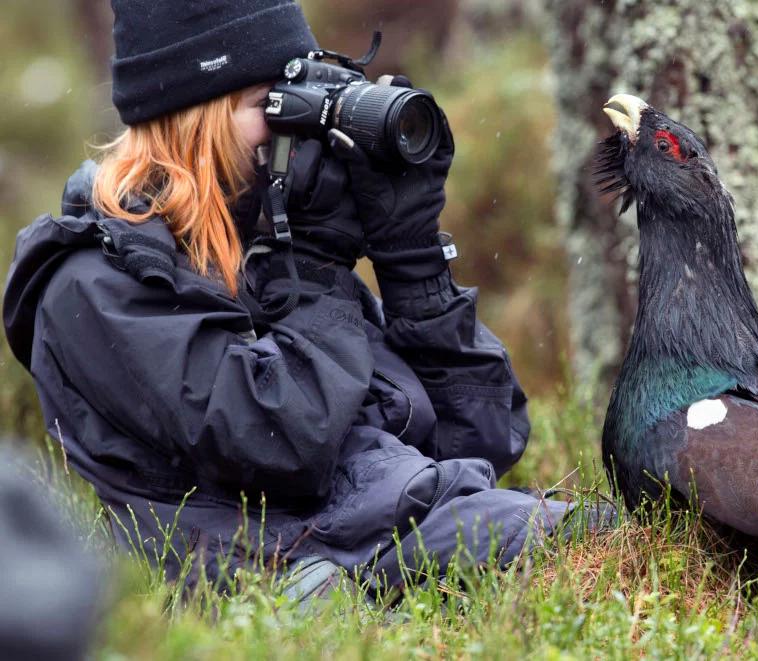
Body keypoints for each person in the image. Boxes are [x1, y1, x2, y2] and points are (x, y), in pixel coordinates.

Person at [2, 0, 585, 598]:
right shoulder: (94, 285)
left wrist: (409, 258)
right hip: (276, 571)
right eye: (269, 104)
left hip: (364, 533)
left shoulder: (260, 249)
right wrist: (316, 260)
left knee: (579, 530)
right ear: (193, 114)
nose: (295, 130)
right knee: (554, 536)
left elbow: (483, 440)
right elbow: (277, 446)